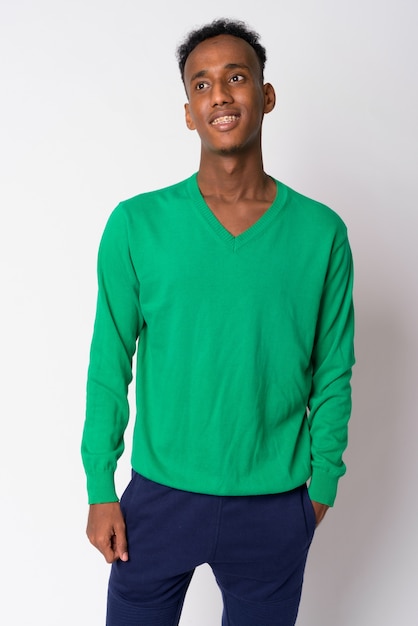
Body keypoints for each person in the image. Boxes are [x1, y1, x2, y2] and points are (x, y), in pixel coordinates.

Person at [81, 18, 355, 626]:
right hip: (158, 499)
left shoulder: (320, 233)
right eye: (202, 85)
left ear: (267, 95)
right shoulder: (136, 225)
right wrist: (101, 486)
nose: (221, 95)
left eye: (236, 78)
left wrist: (321, 489)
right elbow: (109, 360)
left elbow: (334, 368)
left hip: (275, 506)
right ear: (188, 112)